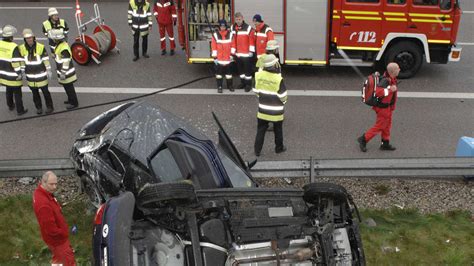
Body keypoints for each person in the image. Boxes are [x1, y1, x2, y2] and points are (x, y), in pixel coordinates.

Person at [33, 171, 76, 266]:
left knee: (58, 261)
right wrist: (63, 233)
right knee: (68, 262)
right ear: (43, 182)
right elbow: (51, 230)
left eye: (56, 184)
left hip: (54, 241)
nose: (54, 187)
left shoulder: (42, 193)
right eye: (51, 184)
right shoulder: (43, 205)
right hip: (58, 242)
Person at [358, 62, 400, 152]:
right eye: (398, 68)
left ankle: (385, 143)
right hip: (383, 108)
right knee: (380, 126)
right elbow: (378, 93)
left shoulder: (391, 78)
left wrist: (392, 107)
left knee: (387, 125)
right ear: (393, 71)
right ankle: (363, 139)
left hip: (387, 107)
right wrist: (389, 90)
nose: (399, 70)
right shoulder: (386, 81)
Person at [253, 54, 287, 156]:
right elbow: (283, 96)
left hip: (262, 109)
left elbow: (255, 91)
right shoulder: (278, 78)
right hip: (277, 111)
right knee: (278, 130)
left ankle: (257, 151)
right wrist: (283, 103)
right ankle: (279, 148)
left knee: (261, 130)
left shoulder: (258, 76)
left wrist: (262, 98)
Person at [19, 28, 54, 114]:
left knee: (46, 92)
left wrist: (48, 69)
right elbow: (22, 61)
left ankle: (50, 107)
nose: (29, 40)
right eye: (27, 38)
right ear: (25, 39)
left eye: (30, 38)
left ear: (34, 38)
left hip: (41, 75)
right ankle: (39, 107)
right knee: (35, 94)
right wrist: (22, 71)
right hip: (30, 76)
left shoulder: (40, 47)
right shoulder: (21, 48)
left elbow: (45, 59)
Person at [0, 25, 28, 115]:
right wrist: (20, 73)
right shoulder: (14, 47)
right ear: (11, 37)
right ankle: (20, 110)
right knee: (17, 94)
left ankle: (10, 105)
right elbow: (16, 62)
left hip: (3, 74)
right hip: (13, 75)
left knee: (8, 90)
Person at [50, 29, 79, 109]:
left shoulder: (63, 47)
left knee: (70, 88)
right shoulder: (60, 45)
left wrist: (63, 73)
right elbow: (61, 57)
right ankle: (70, 99)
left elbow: (66, 61)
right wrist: (55, 56)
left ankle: (74, 103)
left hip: (66, 73)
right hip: (64, 72)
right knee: (67, 87)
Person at [231, 12, 255, 92]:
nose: (238, 21)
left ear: (242, 18)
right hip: (237, 54)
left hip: (246, 54)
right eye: (237, 19)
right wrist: (232, 52)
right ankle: (243, 83)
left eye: (239, 19)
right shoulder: (232, 28)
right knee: (240, 70)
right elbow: (232, 40)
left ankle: (248, 85)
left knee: (247, 71)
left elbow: (251, 40)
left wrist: (251, 51)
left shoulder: (248, 28)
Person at [211, 19, 235, 93]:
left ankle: (230, 86)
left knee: (229, 75)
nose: (222, 27)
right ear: (219, 26)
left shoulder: (230, 34)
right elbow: (213, 47)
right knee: (219, 75)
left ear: (226, 26)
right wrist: (215, 58)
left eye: (224, 26)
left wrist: (232, 55)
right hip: (219, 59)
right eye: (221, 26)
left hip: (228, 59)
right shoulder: (215, 35)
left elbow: (233, 46)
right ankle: (219, 87)